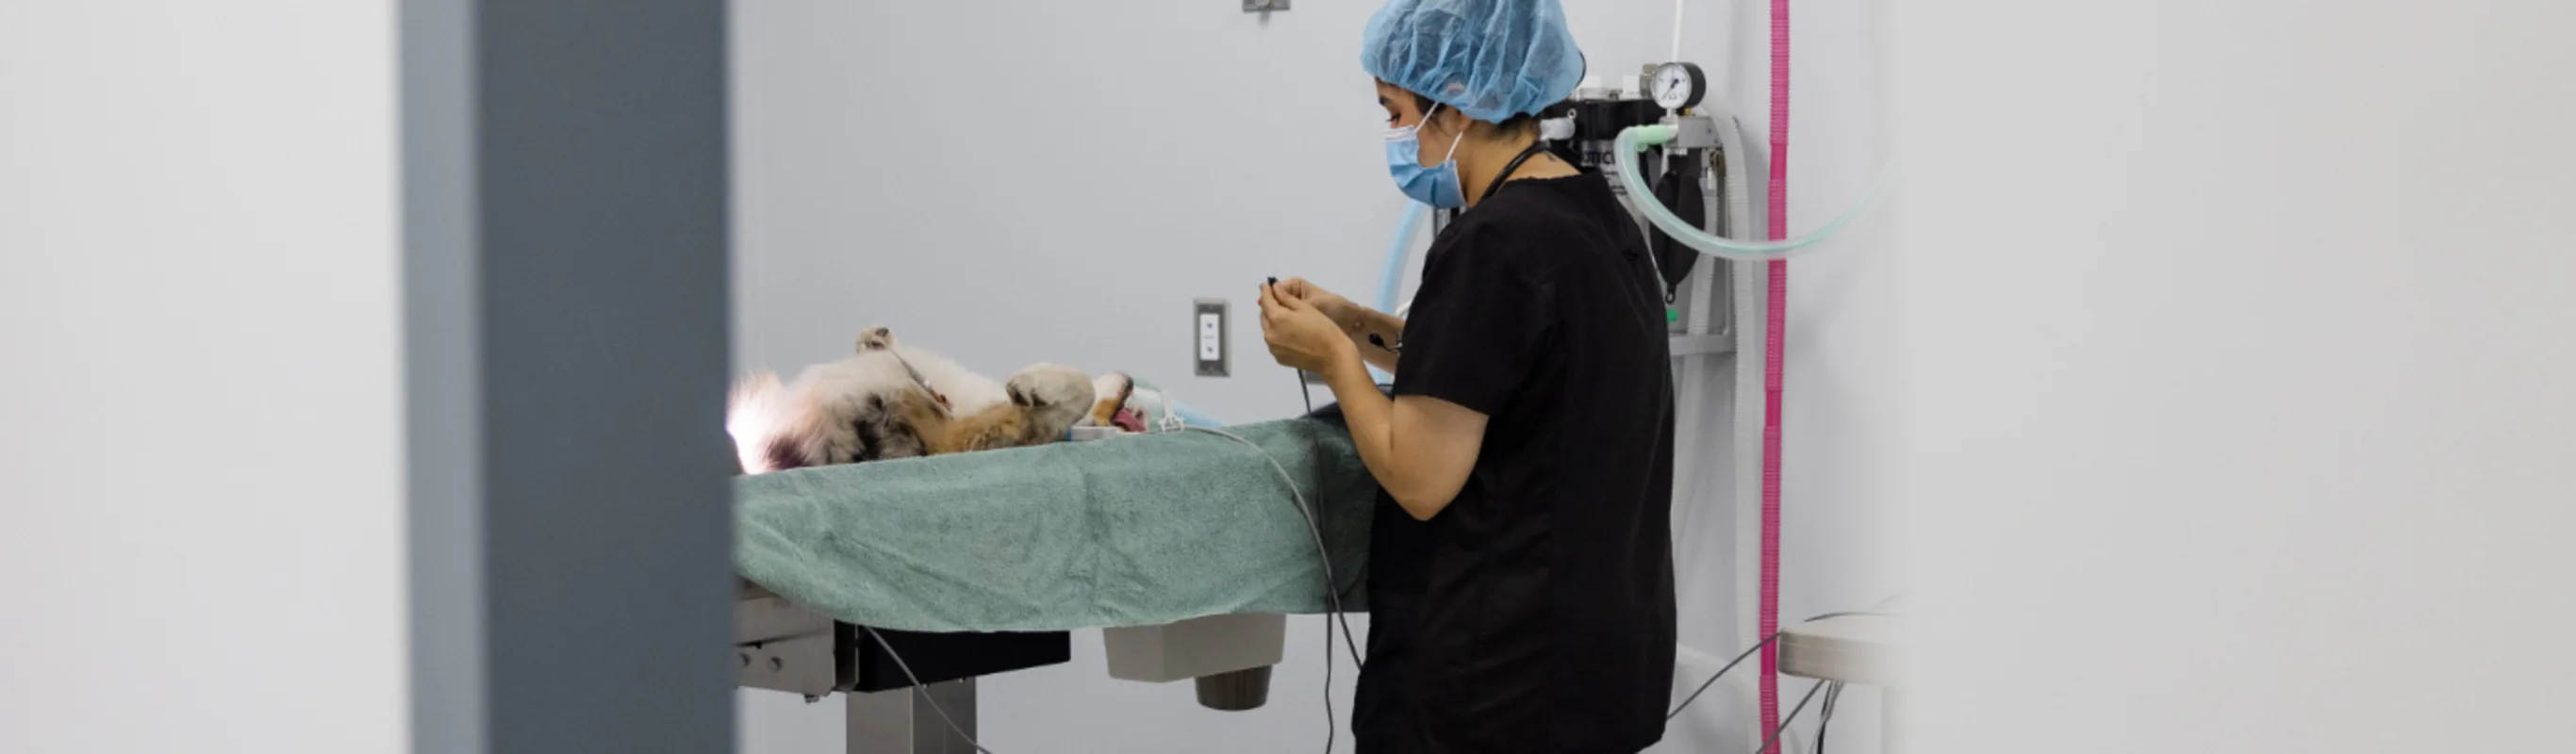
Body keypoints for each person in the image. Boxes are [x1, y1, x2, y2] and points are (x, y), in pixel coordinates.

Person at [1253, 1, 1678, 751]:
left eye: (1395, 113)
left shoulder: (1493, 242)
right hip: (1599, 668)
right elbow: (1497, 368)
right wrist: (1354, 321)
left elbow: (1421, 478)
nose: (1394, 137)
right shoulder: (1593, 218)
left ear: (1452, 106)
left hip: (1493, 687)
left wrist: (1334, 360)